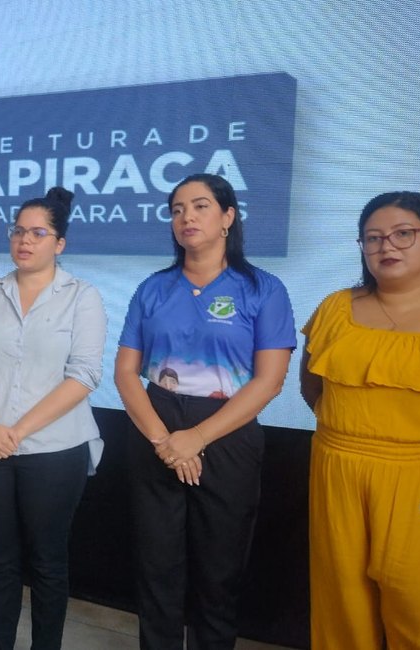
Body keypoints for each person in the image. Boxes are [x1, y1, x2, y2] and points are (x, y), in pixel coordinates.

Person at [113, 173, 295, 649]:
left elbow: (270, 381)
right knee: (157, 571)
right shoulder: (153, 288)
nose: (186, 217)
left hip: (227, 434)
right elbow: (126, 373)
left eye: (199, 206)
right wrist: (164, 440)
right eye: (177, 210)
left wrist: (196, 438)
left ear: (228, 217)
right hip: (154, 428)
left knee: (218, 575)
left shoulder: (262, 289)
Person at [300, 191, 420, 648]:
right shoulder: (335, 307)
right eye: (373, 238)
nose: (387, 246)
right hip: (338, 469)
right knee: (342, 600)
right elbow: (312, 387)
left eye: (403, 234)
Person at [0, 187, 106, 649]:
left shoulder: (82, 297)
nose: (25, 240)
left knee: (47, 562)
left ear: (59, 244)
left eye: (38, 233)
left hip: (55, 451)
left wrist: (17, 431)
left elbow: (84, 375)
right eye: (18, 231)